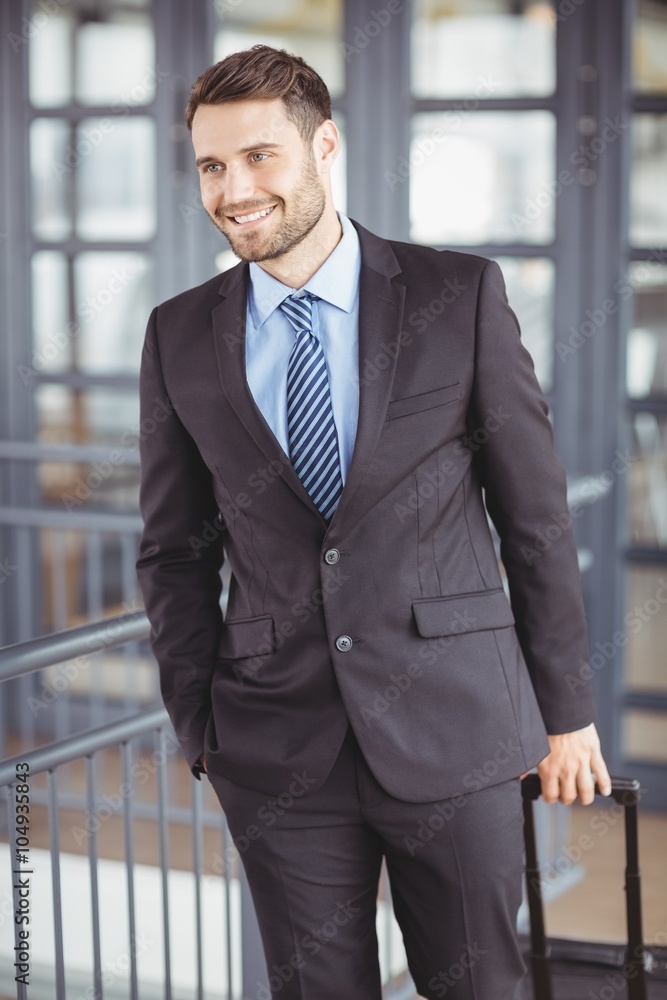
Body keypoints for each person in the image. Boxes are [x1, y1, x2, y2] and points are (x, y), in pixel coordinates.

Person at [136, 44, 611, 1000]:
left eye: (259, 156)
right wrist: (202, 727)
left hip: (458, 725)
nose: (234, 190)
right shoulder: (178, 332)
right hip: (275, 748)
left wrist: (567, 713)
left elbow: (534, 515)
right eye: (212, 166)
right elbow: (173, 552)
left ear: (324, 145)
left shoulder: (455, 295)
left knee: (480, 988)